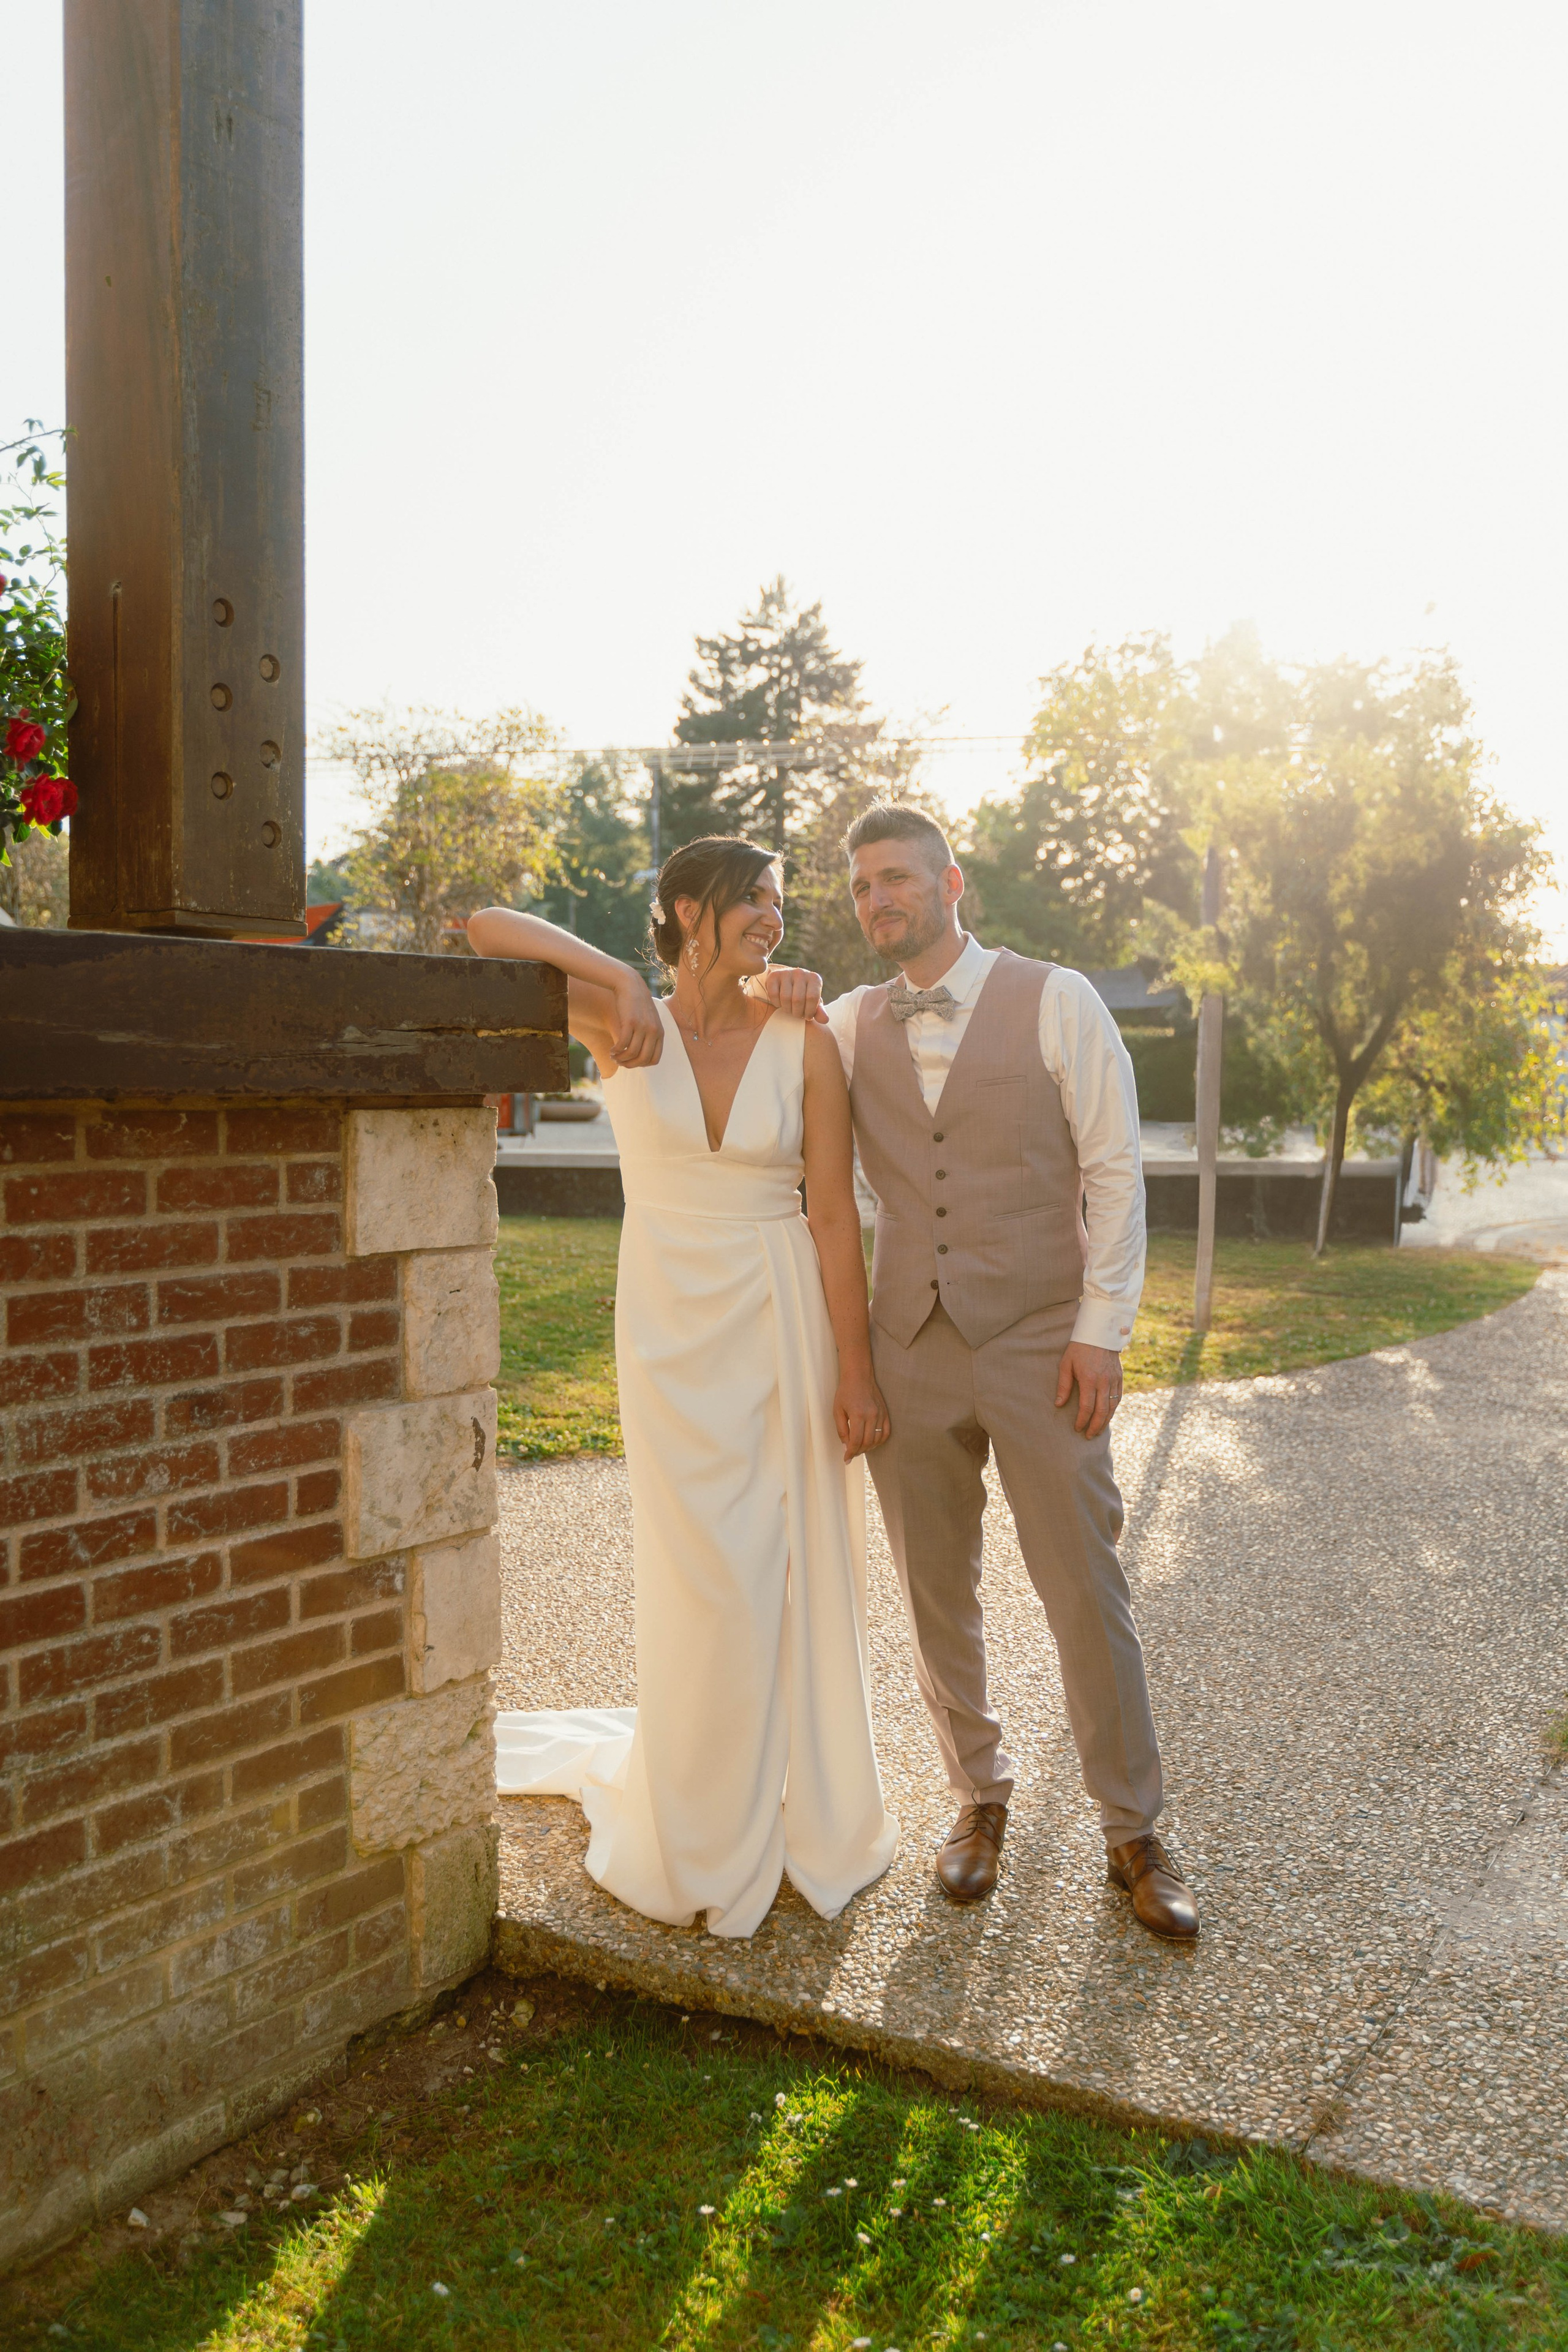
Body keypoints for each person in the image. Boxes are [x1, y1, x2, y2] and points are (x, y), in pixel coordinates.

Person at [467, 839, 899, 1939]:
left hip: (780, 1312)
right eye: (751, 898)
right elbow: (480, 926)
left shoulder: (804, 1038)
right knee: (702, 1566)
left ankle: (793, 1801)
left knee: (781, 1565)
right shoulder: (620, 1022)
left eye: (778, 901)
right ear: (686, 912)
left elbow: (836, 1214)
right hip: (666, 1326)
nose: (773, 917)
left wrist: (857, 1371)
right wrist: (615, 976)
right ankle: (701, 1805)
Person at [810, 802, 1197, 1941]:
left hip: (1042, 1340)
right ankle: (978, 1797)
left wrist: (1101, 1330)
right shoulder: (840, 1025)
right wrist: (780, 989)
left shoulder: (1057, 999)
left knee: (1085, 1582)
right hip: (907, 1350)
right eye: (862, 887)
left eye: (896, 878)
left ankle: (1133, 1830)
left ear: (951, 881)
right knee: (936, 1590)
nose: (879, 899)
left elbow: (1117, 1172)